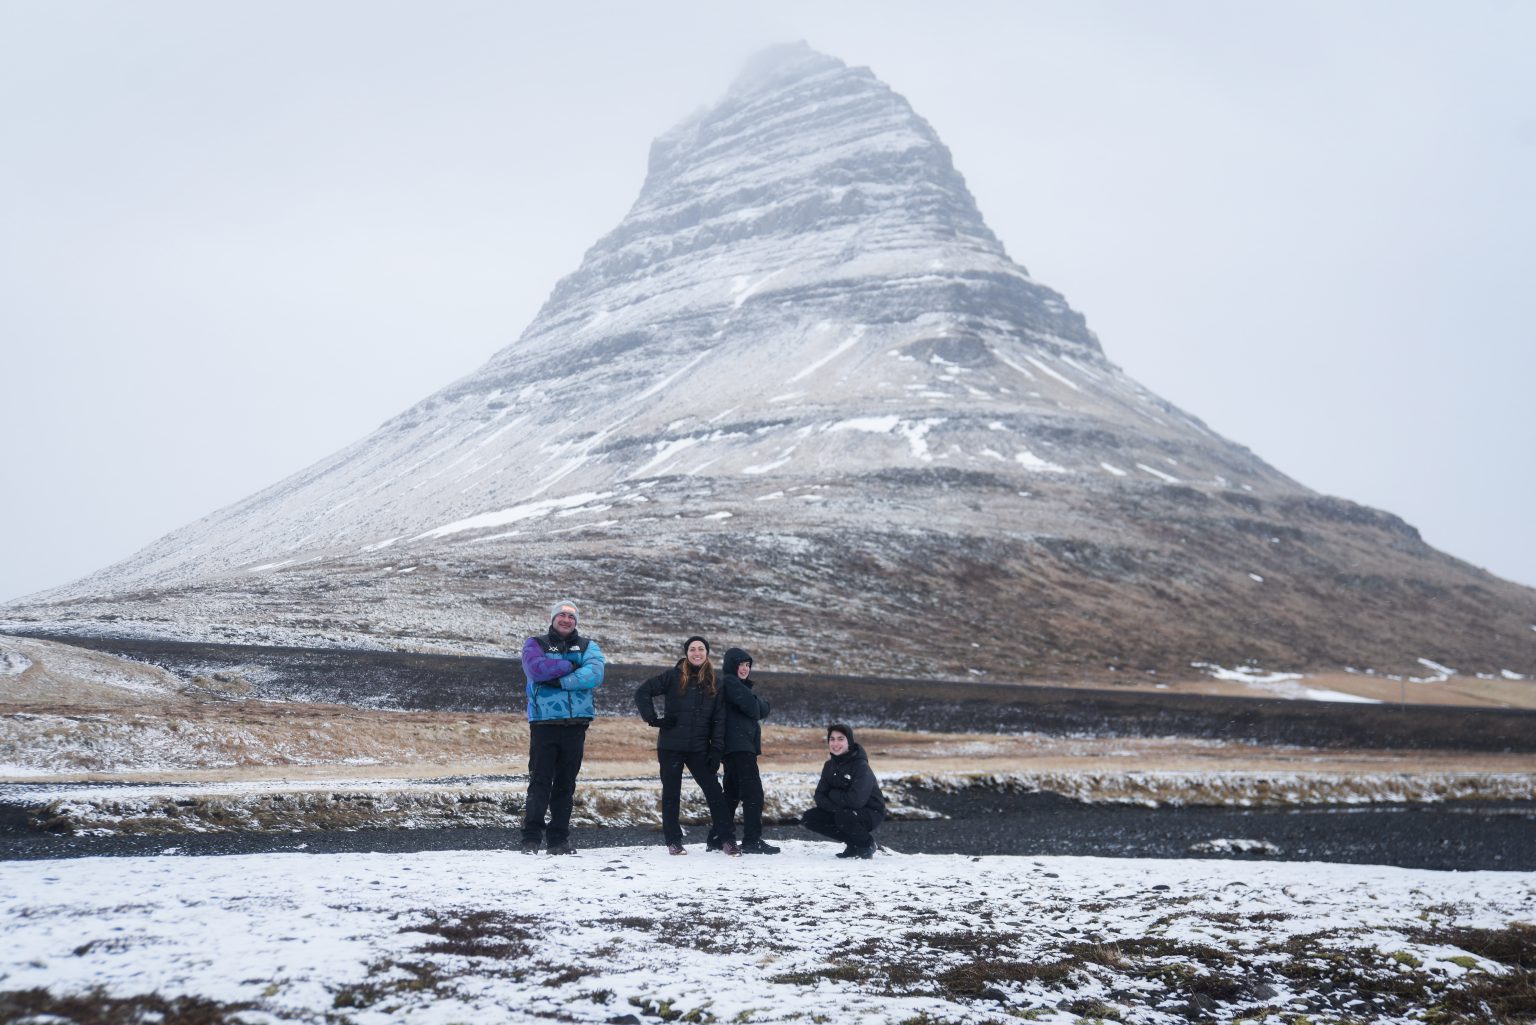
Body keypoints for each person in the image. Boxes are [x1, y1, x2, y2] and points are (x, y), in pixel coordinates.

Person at [634, 636, 740, 856]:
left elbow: (719, 720)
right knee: (671, 794)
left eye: (701, 649)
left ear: (707, 653)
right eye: (692, 649)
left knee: (714, 792)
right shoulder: (673, 676)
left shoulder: (715, 682)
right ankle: (673, 842)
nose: (697, 652)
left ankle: (727, 839)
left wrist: (716, 750)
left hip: (700, 748)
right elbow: (642, 692)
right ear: (686, 652)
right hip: (670, 746)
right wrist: (653, 719)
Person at [520, 599, 605, 855]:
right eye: (562, 615)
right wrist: (571, 665)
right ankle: (531, 838)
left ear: (576, 621)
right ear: (553, 618)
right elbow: (536, 669)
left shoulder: (589, 646)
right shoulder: (536, 643)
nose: (566, 619)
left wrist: (558, 682)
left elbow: (596, 674)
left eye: (571, 616)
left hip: (576, 725)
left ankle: (558, 839)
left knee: (566, 785)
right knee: (540, 781)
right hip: (544, 723)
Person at [707, 647, 779, 855]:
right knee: (753, 793)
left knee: (732, 793)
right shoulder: (730, 682)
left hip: (734, 747)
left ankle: (716, 836)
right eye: (741, 664)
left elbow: (752, 707)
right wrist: (762, 704)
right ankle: (752, 840)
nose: (745, 668)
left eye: (748, 665)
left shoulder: (733, 685)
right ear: (732, 665)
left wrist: (756, 704)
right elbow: (755, 709)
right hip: (739, 747)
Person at [800, 723, 885, 859]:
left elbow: (856, 801)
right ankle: (853, 843)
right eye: (832, 739)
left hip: (870, 812)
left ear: (849, 742)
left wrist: (833, 794)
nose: (835, 743)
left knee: (844, 817)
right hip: (844, 811)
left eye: (840, 739)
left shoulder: (860, 766)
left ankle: (867, 844)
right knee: (810, 818)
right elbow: (819, 796)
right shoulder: (829, 766)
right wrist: (837, 806)